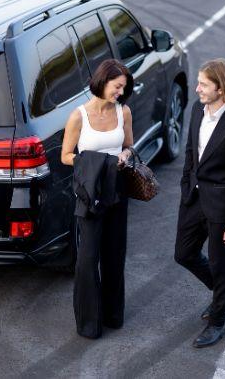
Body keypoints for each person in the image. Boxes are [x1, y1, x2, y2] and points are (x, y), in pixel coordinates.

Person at [174, 58, 225, 348]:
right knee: (183, 254)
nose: (196, 89)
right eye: (198, 82)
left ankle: (218, 321)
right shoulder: (198, 109)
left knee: (221, 265)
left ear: (221, 89)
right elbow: (190, 152)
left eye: (204, 85)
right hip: (194, 199)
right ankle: (224, 292)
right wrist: (186, 184)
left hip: (222, 207)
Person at [61, 58, 134, 339]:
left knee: (114, 256)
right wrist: (101, 162)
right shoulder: (78, 116)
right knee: (88, 259)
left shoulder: (123, 112)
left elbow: (129, 146)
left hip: (116, 192)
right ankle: (89, 323)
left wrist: (124, 157)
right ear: (103, 82)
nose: (120, 92)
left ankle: (113, 315)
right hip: (90, 194)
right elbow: (66, 156)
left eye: (123, 88)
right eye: (117, 86)